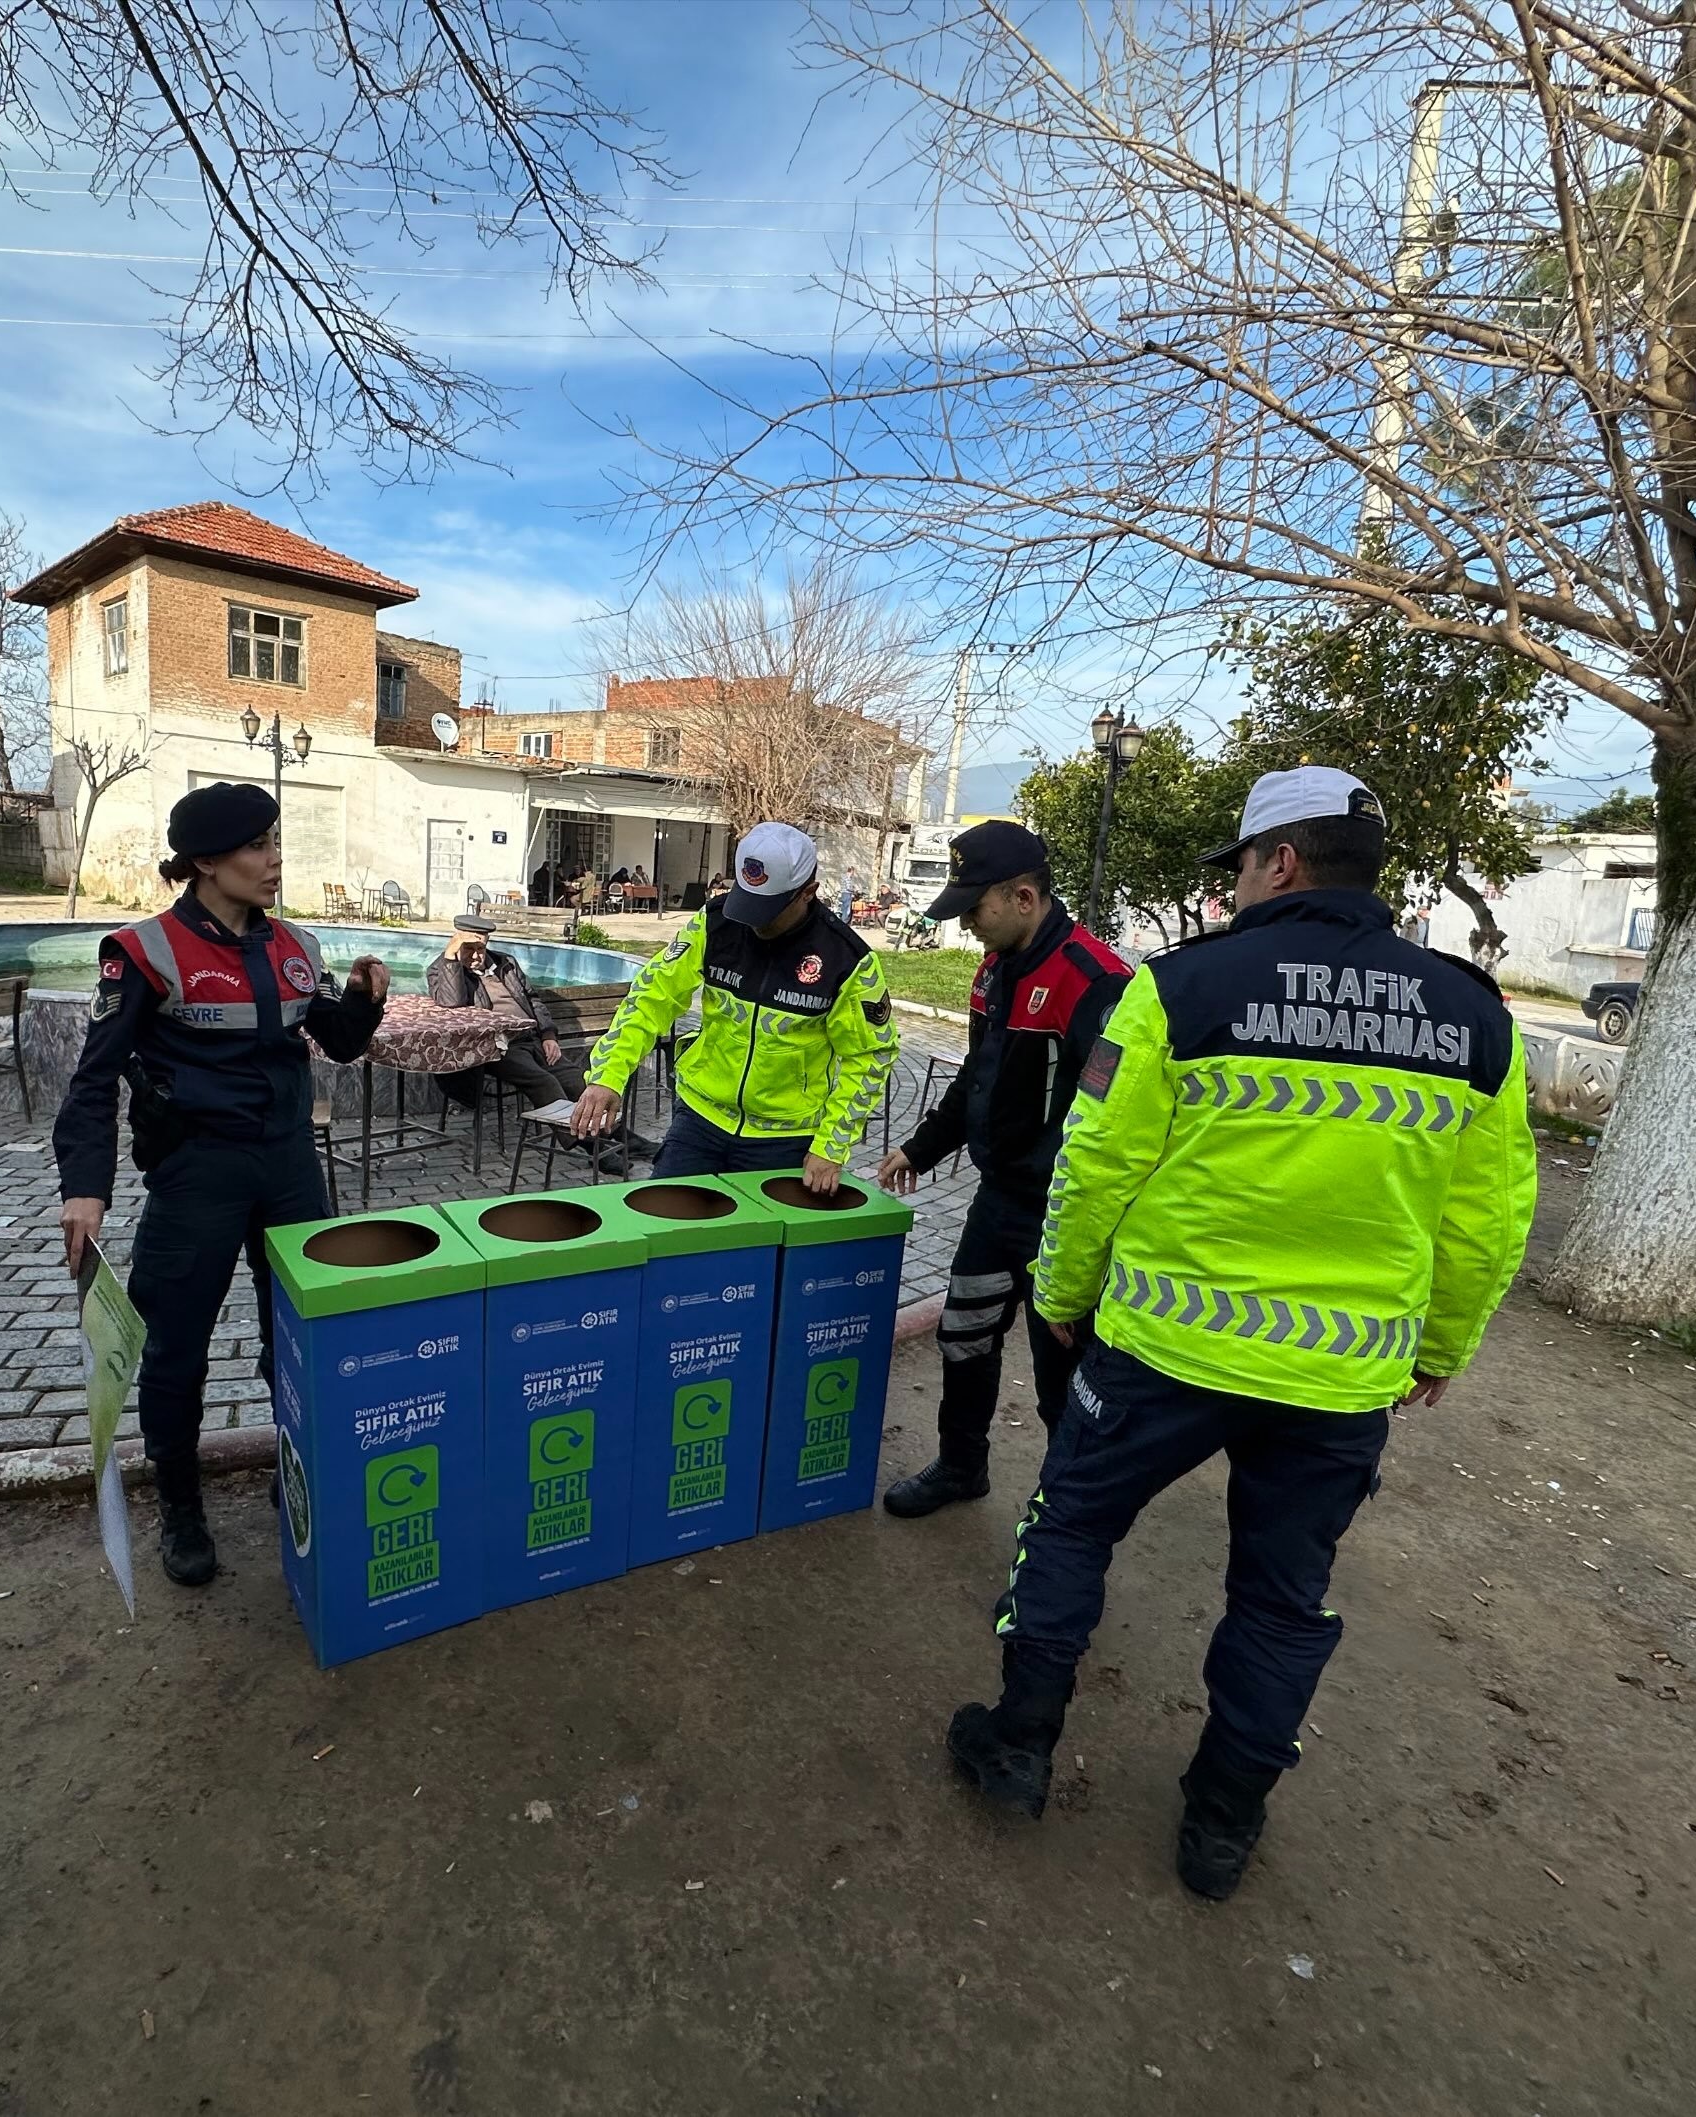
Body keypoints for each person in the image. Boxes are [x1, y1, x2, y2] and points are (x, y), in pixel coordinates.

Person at [945, 767, 1535, 1900]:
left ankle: (1018, 1741)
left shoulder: (1182, 988)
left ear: (1281, 861)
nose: (1237, 891)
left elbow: (1097, 1165)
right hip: (1343, 1376)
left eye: (1243, 869)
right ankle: (1222, 1819)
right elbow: (1489, 1216)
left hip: (1166, 1347)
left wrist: (1064, 1292)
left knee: (1069, 1525)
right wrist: (1441, 1345)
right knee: (1282, 1597)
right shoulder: (1474, 1016)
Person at [53, 782, 389, 1589]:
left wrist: (363, 1002)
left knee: (301, 1336)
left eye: (275, 843)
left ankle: (297, 1468)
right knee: (176, 1351)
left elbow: (335, 1044)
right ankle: (180, 1506)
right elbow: (93, 1081)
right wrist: (83, 1186)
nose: (274, 861)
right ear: (205, 861)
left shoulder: (295, 946)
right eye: (256, 847)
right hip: (195, 1174)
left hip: (288, 1168)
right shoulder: (141, 952)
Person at [874, 822, 1128, 1517]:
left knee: (1062, 1376)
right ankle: (961, 1466)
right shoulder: (993, 973)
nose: (965, 924)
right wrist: (918, 1148)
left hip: (1064, 1219)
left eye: (971, 908)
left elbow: (1117, 1125)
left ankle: (1062, 1518)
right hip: (998, 1204)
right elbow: (973, 1083)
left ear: (1022, 896)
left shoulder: (1097, 984)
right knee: (966, 1334)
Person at [571, 820, 897, 1188]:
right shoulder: (715, 922)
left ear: (808, 892)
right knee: (662, 1230)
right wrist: (608, 1077)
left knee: (753, 1245)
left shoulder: (847, 959)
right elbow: (651, 998)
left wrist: (831, 1146)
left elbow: (871, 1054)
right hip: (699, 1119)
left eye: (768, 909)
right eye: (747, 900)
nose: (753, 921)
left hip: (783, 1139)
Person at [428, 914, 637, 1176]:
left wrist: (549, 1035)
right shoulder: (441, 969)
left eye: (481, 948)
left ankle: (623, 1138)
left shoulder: (505, 963)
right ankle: (594, 1149)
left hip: (533, 1039)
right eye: (469, 949)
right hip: (498, 1047)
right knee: (544, 1083)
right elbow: (452, 1004)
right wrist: (451, 959)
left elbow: (533, 1000)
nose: (476, 956)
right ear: (456, 944)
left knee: (578, 1080)